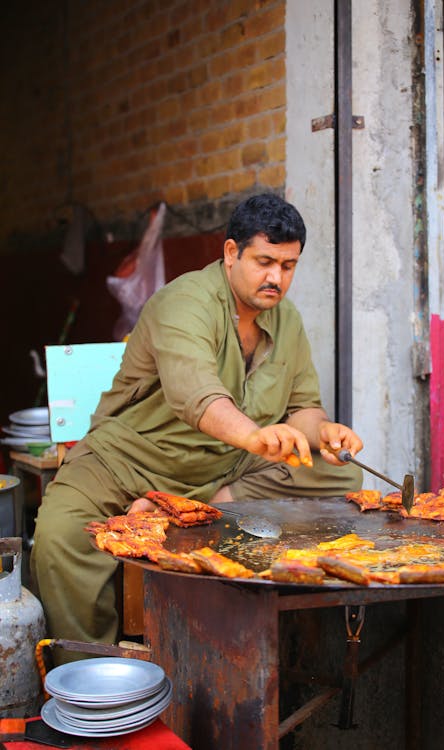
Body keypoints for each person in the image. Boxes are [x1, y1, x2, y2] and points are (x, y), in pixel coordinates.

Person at [31, 193, 363, 657]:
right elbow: (197, 397)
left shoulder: (286, 319)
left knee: (343, 472)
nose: (276, 278)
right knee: (57, 539)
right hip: (128, 459)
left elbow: (304, 407)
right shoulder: (184, 301)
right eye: (265, 261)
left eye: (288, 266)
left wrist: (323, 431)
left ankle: (196, 506)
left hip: (225, 470)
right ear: (231, 253)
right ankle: (96, 676)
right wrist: (255, 435)